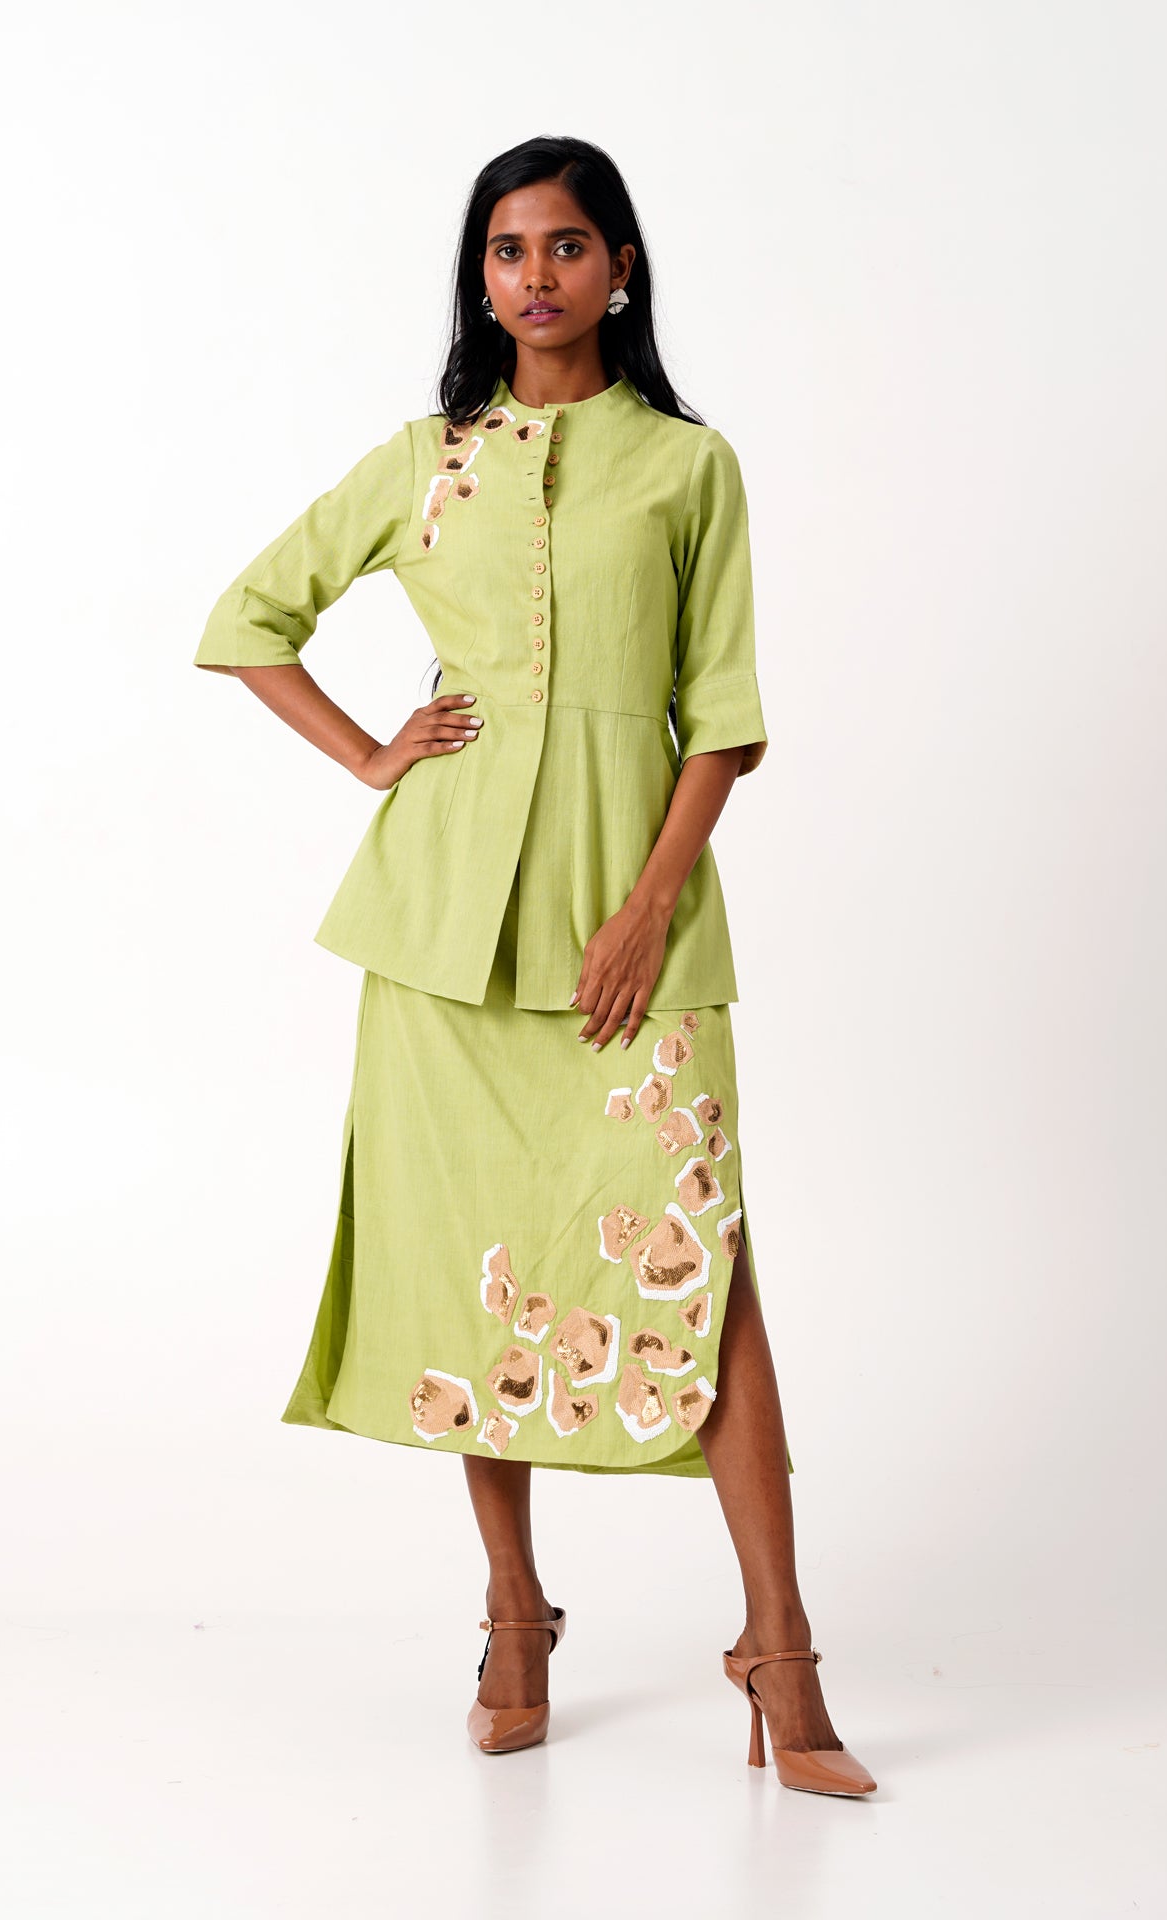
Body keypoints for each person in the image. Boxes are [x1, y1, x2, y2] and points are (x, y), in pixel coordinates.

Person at [193, 134, 876, 1796]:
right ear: (480, 278)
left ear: (620, 269)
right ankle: (514, 1614)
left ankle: (780, 1651)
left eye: (567, 245)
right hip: (440, 936)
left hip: (633, 921)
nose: (536, 275)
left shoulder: (687, 468)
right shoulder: (427, 461)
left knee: (708, 1272)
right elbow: (246, 621)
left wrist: (648, 909)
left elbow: (722, 718)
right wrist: (373, 757)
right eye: (508, 250)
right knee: (469, 1272)